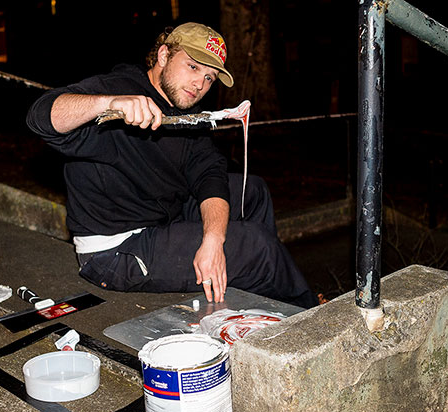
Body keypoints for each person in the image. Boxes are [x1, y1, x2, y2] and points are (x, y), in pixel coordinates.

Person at [27, 22, 318, 308]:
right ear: (164, 56)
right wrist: (107, 103)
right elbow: (41, 117)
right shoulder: (119, 89)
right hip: (116, 252)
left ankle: (265, 293)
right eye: (193, 67)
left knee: (252, 190)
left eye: (209, 78)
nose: (199, 84)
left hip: (163, 217)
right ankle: (303, 313)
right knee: (257, 248)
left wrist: (214, 240)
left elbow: (210, 174)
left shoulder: (184, 114)